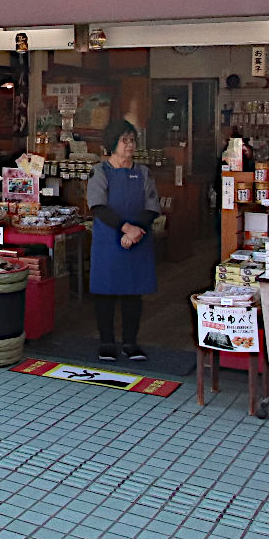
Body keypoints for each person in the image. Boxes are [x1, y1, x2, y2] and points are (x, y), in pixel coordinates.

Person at [87, 117, 159, 363]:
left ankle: (131, 342)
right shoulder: (99, 171)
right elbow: (98, 206)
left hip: (138, 239)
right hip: (109, 239)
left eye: (132, 140)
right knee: (106, 292)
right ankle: (106, 341)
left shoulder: (143, 172)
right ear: (112, 144)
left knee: (133, 292)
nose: (130, 145)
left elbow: (152, 206)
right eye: (124, 140)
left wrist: (137, 230)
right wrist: (126, 229)